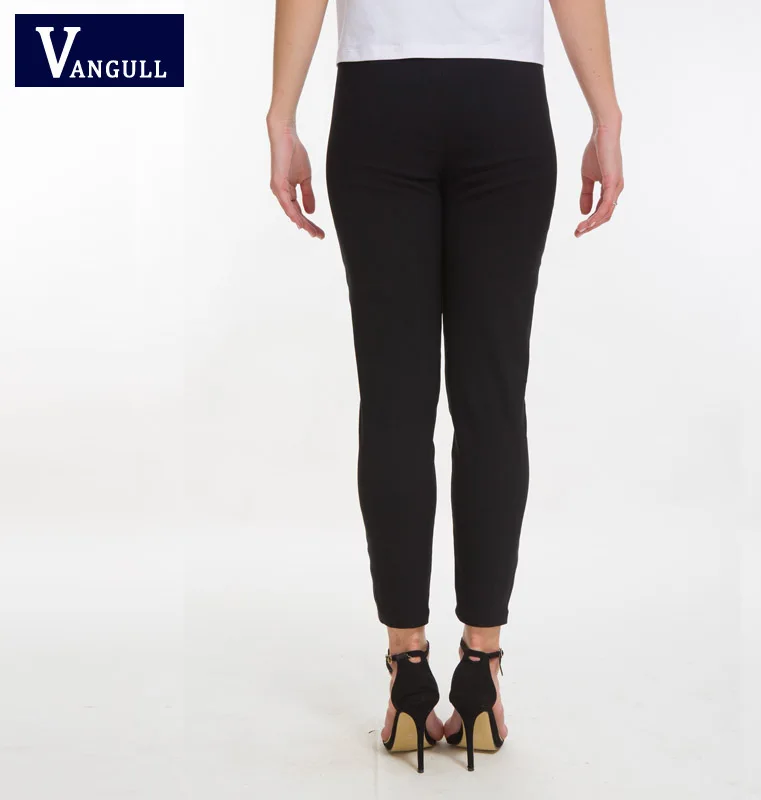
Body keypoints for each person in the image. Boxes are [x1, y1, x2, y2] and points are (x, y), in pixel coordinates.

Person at [267, 0, 623, 773]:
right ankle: (480, 669)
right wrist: (606, 116)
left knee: (393, 401)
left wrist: (282, 115)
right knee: (493, 400)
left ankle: (407, 671)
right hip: (504, 102)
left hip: (378, 101)